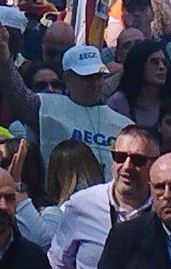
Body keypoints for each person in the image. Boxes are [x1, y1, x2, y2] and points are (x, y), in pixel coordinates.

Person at [48, 123, 156, 269]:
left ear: (155, 163)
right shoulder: (81, 205)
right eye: (120, 157)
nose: (127, 167)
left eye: (138, 160)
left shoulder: (163, 210)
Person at [38, 45, 132, 175]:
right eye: (86, 77)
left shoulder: (124, 125)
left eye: (98, 77)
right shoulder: (45, 107)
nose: (95, 84)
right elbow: (17, 94)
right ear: (67, 78)